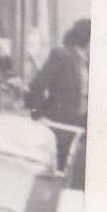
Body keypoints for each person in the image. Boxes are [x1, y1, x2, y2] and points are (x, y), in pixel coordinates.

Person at [26, 18, 90, 183]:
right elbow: (36, 87)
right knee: (55, 173)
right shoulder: (61, 55)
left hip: (81, 126)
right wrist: (36, 116)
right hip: (59, 125)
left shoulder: (89, 61)